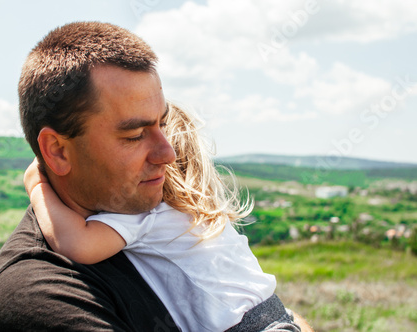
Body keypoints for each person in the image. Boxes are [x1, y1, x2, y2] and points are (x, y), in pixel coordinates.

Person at [0, 21, 313, 331]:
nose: (167, 153)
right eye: (134, 135)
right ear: (57, 151)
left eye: (162, 124)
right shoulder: (38, 292)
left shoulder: (149, 213)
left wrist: (35, 183)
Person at [24, 102, 302, 332]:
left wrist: (37, 186)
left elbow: (76, 243)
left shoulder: (148, 216)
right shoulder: (203, 215)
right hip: (279, 317)